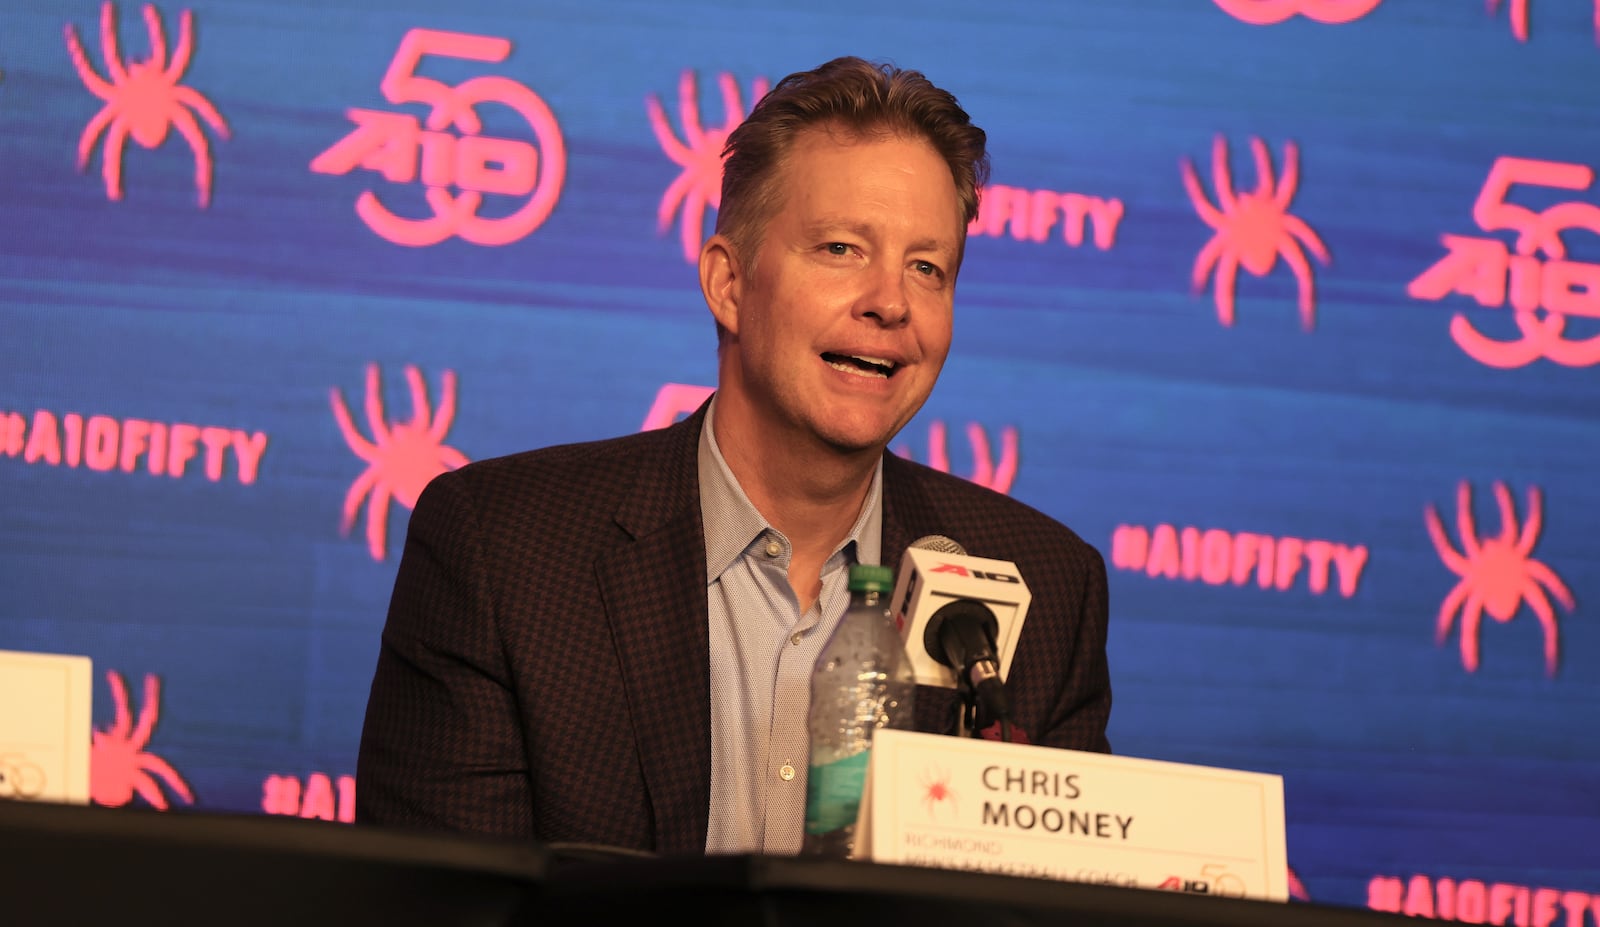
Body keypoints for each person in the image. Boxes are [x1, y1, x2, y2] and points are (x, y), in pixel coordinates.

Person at [354, 55, 1111, 857]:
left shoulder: (1044, 587)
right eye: (841, 248)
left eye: (928, 268)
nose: (890, 302)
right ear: (728, 283)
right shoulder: (506, 552)